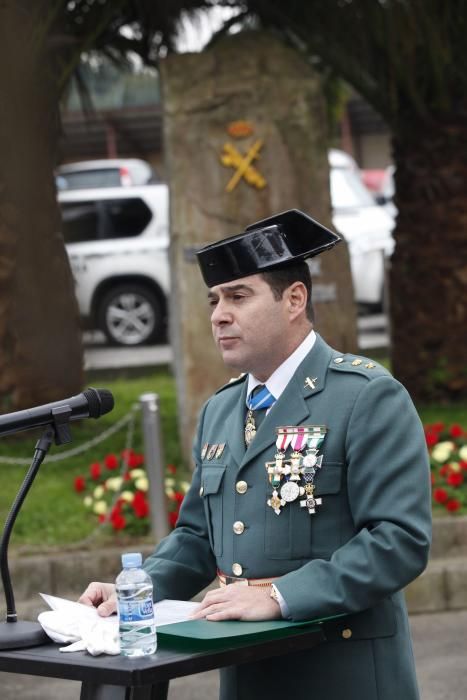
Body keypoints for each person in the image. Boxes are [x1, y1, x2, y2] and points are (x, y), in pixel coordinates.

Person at [80, 209, 432, 700]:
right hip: (248, 671)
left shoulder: (365, 395)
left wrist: (279, 595)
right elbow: (199, 536)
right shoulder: (222, 409)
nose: (218, 314)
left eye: (238, 296)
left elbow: (398, 540)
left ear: (294, 299)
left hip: (340, 669)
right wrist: (139, 592)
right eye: (215, 299)